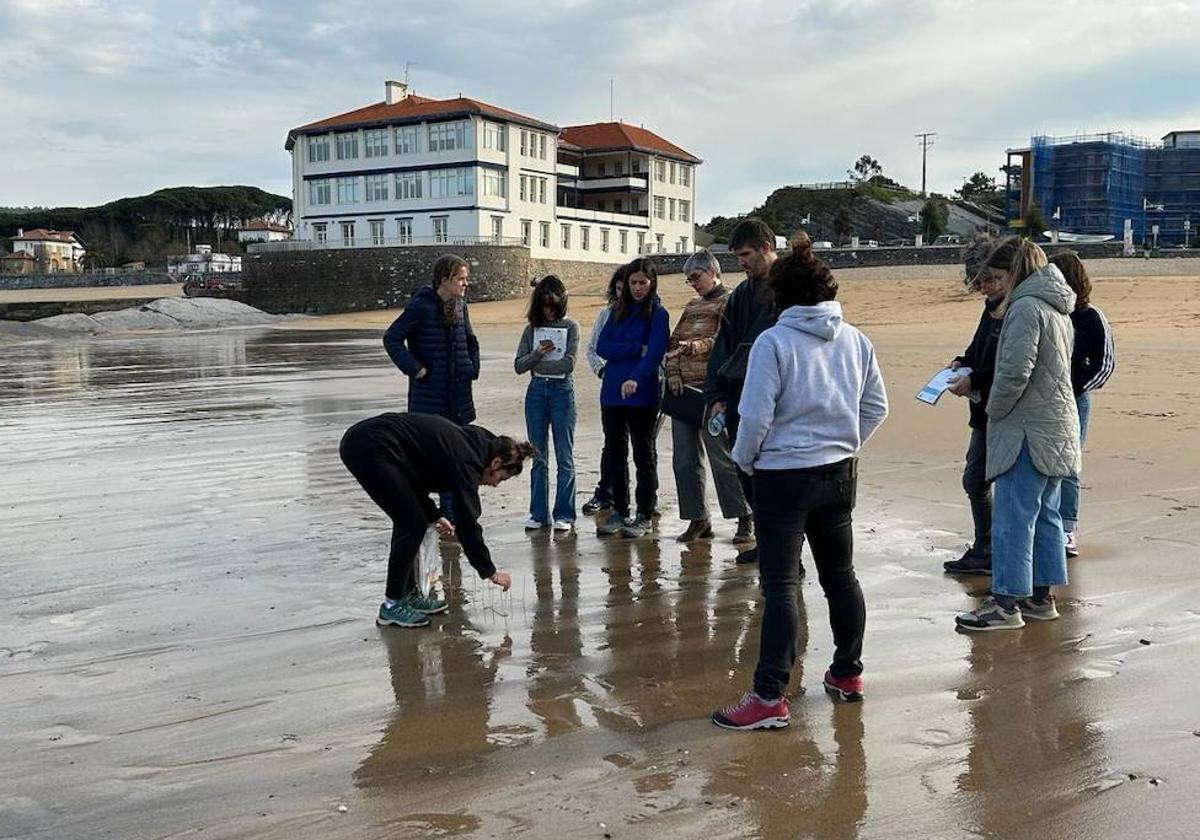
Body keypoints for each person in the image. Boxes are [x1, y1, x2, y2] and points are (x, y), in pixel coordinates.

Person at [712, 238, 888, 730]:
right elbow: (876, 407)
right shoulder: (855, 339)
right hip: (838, 474)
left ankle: (770, 697)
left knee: (781, 585)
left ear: (780, 296)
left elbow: (755, 416)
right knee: (840, 577)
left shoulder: (774, 341)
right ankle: (847, 674)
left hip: (783, 476)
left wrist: (745, 462)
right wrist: (847, 444)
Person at [956, 237, 1080, 631]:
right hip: (1056, 424)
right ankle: (1040, 598)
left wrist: (984, 400)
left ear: (1013, 274)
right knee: (1046, 515)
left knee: (1014, 517)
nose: (992, 286)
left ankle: (1006, 603)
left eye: (996, 277)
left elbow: (1015, 372)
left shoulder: (1026, 307)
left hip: (1027, 428)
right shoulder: (1056, 306)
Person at [339, 412, 529, 628]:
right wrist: (490, 572)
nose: (495, 484)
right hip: (367, 447)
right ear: (496, 463)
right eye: (500, 478)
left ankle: (408, 594)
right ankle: (391, 605)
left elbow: (416, 472)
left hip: (386, 448)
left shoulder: (481, 446)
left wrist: (434, 514)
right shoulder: (468, 460)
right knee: (410, 523)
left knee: (416, 519)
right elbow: (467, 524)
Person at [704, 218, 782, 565]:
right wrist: (715, 394)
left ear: (766, 247)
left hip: (776, 398)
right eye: (737, 257)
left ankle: (785, 553)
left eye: (746, 254)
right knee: (746, 472)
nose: (742, 263)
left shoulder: (791, 286)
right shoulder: (741, 294)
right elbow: (723, 344)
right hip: (738, 396)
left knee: (774, 480)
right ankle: (767, 545)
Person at [382, 254, 481, 522]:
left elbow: (470, 339)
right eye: (461, 279)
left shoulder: (461, 305)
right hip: (429, 400)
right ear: (445, 279)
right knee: (434, 462)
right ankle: (435, 519)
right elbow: (391, 339)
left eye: (465, 279)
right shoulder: (420, 306)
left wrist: (472, 367)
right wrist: (416, 369)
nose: (465, 284)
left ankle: (457, 518)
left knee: (458, 459)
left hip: (459, 397)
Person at [664, 249, 752, 543]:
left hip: (712, 392)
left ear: (713, 272)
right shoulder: (691, 306)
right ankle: (697, 519)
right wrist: (673, 372)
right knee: (684, 460)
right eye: (689, 279)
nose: (693, 283)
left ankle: (743, 517)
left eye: (697, 277)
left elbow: (724, 342)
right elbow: (674, 342)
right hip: (683, 394)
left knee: (722, 459)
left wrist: (695, 347)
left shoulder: (729, 301)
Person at [943, 234, 1004, 576]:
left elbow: (1010, 366)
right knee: (977, 480)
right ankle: (988, 547)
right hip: (984, 410)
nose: (984, 288)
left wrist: (974, 380)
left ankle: (989, 549)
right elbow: (980, 350)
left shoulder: (1014, 310)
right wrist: (961, 361)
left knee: (979, 481)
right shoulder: (991, 308)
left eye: (989, 280)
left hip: (1000, 410)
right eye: (979, 282)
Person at [595, 258, 670, 539]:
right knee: (615, 452)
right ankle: (620, 509)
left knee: (643, 454)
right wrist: (635, 347)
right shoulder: (617, 310)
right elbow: (603, 346)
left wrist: (635, 377)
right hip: (612, 391)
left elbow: (654, 354)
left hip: (642, 392)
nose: (637, 288)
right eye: (633, 282)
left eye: (643, 282)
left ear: (651, 283)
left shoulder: (658, 314)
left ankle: (644, 513)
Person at [1049, 251, 1115, 557]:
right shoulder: (1048, 312)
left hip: (1075, 400)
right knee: (1042, 462)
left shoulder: (1091, 317)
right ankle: (1047, 524)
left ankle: (1067, 528)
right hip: (1043, 400)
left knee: (1069, 464)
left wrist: (1073, 390)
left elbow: (1103, 365)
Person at [514, 275, 580, 532]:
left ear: (561, 303)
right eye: (543, 305)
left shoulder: (571, 326)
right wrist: (537, 354)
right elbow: (519, 365)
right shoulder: (531, 329)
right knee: (538, 456)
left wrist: (538, 363)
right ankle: (538, 513)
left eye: (553, 305)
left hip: (562, 392)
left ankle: (565, 514)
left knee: (565, 455)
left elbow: (569, 364)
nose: (548, 311)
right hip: (536, 392)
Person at [582, 266, 627, 515]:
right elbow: (592, 349)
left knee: (644, 446)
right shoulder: (606, 314)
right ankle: (606, 492)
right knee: (612, 442)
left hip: (642, 386)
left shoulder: (649, 314)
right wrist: (603, 371)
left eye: (626, 288)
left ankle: (645, 499)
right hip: (611, 386)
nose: (622, 294)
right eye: (618, 288)